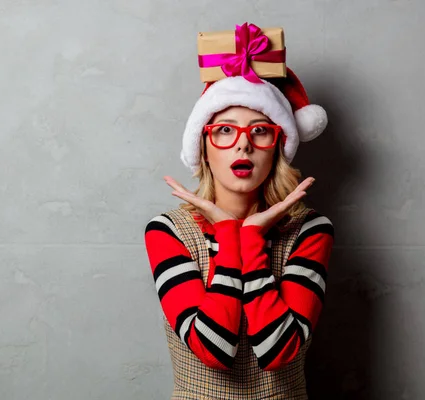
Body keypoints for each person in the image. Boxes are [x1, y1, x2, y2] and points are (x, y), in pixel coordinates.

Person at [143, 55, 335, 398]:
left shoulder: (310, 230)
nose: (243, 144)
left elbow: (278, 352)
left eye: (260, 130)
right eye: (225, 130)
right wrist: (231, 236)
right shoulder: (167, 231)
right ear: (203, 146)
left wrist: (250, 238)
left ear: (277, 145)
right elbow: (213, 349)